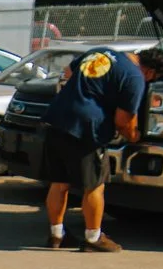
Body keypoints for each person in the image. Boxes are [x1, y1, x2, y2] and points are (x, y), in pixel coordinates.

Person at [41, 44, 146, 251]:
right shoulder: (135, 77)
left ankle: (56, 236)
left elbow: (68, 73)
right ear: (150, 71)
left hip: (56, 118)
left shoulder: (98, 52)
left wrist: (83, 91)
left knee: (59, 182)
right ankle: (93, 238)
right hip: (87, 127)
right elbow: (124, 121)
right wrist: (134, 137)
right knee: (94, 185)